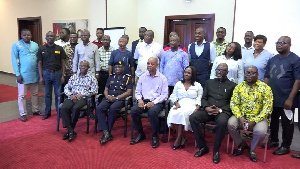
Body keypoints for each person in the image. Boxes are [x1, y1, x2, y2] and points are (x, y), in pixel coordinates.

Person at [189, 63, 236, 164]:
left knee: (222, 122)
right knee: (193, 117)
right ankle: (203, 147)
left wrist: (220, 110)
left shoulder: (233, 85)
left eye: (222, 70)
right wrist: (206, 107)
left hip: (222, 112)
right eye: (217, 69)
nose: (219, 71)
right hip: (208, 110)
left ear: (227, 72)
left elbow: (233, 103)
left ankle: (216, 150)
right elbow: (204, 98)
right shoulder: (209, 82)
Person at [228, 66, 273, 162]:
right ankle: (241, 144)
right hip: (242, 116)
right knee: (231, 123)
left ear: (257, 74)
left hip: (259, 118)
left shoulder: (265, 88)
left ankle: (252, 150)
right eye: (248, 72)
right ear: (244, 74)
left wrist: (255, 120)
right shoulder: (239, 87)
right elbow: (233, 104)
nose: (250, 75)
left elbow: (267, 108)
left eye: (253, 73)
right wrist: (240, 117)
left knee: (260, 131)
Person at [264, 36, 300, 155]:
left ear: (290, 44)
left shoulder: (295, 60)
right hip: (272, 97)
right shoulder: (273, 59)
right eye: (278, 42)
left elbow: (298, 80)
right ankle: (274, 140)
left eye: (283, 43)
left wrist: (290, 99)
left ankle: (286, 146)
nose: (279, 45)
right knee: (272, 121)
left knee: (287, 124)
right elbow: (267, 76)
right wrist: (264, 94)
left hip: (286, 98)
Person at [130, 57, 168, 148]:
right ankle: (140, 133)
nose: (149, 65)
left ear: (157, 65)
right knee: (134, 110)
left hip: (157, 102)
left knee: (152, 112)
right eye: (148, 63)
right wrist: (139, 99)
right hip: (144, 101)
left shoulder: (162, 78)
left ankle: (155, 135)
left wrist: (154, 102)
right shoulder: (142, 77)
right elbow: (137, 91)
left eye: (152, 64)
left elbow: (164, 95)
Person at [96, 61, 133, 144]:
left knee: (113, 108)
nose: (117, 69)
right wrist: (107, 96)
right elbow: (106, 89)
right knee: (99, 108)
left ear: (123, 68)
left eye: (120, 67)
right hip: (109, 98)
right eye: (116, 67)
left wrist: (116, 98)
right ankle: (106, 132)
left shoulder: (127, 78)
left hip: (120, 99)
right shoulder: (111, 77)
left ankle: (107, 131)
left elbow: (129, 92)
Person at [61, 60, 98, 142]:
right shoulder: (74, 76)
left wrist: (82, 94)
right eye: (81, 66)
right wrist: (70, 95)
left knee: (76, 108)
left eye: (84, 66)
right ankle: (71, 131)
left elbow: (95, 90)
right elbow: (67, 87)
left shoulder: (92, 78)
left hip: (83, 98)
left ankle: (70, 131)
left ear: (88, 68)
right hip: (72, 96)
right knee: (64, 107)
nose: (82, 67)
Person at [167, 66, 203, 150]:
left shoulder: (198, 85)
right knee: (172, 113)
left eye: (188, 73)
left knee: (182, 113)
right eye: (185, 72)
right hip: (180, 103)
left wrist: (197, 108)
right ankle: (182, 136)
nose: (186, 74)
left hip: (191, 105)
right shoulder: (178, 84)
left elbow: (199, 98)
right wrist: (176, 103)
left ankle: (179, 138)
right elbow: (173, 95)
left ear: (193, 74)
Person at [11, 29, 41, 122]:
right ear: (21, 36)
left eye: (28, 35)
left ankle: (35, 110)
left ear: (31, 35)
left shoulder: (35, 45)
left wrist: (40, 74)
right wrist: (17, 74)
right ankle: (23, 113)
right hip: (23, 75)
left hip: (34, 73)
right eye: (24, 35)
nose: (26, 36)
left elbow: (39, 59)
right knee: (22, 95)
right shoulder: (16, 45)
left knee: (35, 94)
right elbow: (14, 60)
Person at [38, 31, 66, 120]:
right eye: (48, 36)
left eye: (52, 36)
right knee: (47, 94)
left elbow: (63, 62)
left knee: (58, 94)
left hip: (57, 73)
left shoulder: (60, 48)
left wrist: (63, 75)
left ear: (54, 38)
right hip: (46, 73)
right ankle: (47, 112)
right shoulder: (41, 49)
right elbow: (39, 63)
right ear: (46, 38)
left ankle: (59, 112)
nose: (50, 37)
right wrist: (41, 77)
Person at [72, 29, 100, 118]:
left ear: (89, 36)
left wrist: (97, 73)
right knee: (81, 90)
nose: (84, 37)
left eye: (85, 35)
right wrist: (74, 72)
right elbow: (75, 60)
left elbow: (97, 61)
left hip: (91, 73)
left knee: (91, 92)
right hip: (80, 74)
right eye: (82, 35)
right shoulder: (78, 47)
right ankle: (82, 110)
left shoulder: (94, 47)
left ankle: (91, 111)